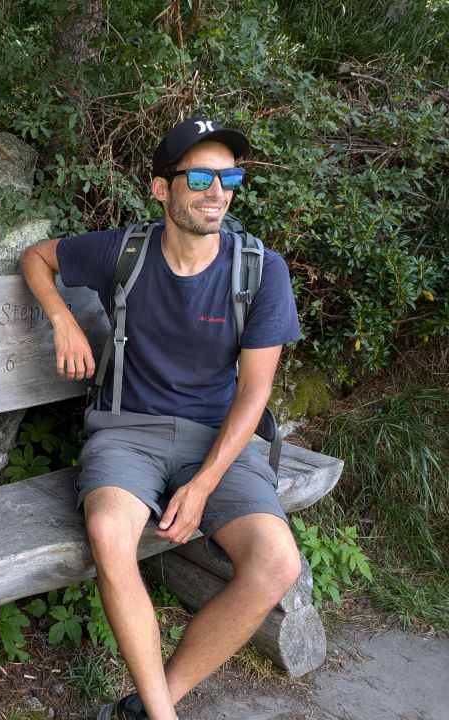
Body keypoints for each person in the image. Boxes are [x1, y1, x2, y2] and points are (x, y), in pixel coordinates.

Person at [19, 117, 303, 720]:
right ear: (160, 188)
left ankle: (150, 707)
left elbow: (254, 391)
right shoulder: (123, 251)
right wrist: (64, 320)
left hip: (219, 441)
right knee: (109, 533)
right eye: (199, 177)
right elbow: (36, 258)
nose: (216, 192)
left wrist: (202, 485)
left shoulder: (260, 269)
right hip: (127, 432)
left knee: (277, 563)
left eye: (229, 178)